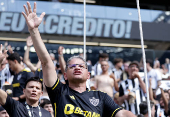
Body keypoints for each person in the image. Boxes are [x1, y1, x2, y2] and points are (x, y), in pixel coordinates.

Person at [22, 2, 136, 117]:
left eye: (81, 66)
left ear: (88, 75)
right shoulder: (59, 91)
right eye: (72, 66)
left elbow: (122, 113)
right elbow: (46, 62)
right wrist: (34, 31)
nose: (77, 67)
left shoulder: (101, 97)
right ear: (65, 75)